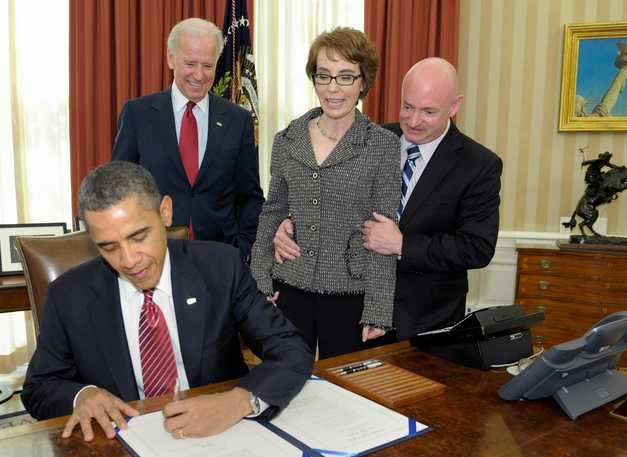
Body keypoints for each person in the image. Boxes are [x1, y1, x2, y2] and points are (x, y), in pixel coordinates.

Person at [22, 161, 313, 441]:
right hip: (125, 448)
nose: (129, 260)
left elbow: (290, 349)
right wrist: (80, 396)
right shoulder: (69, 294)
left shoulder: (220, 267)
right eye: (108, 247)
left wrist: (239, 401)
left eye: (138, 236)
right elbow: (39, 388)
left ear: (165, 212)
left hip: (221, 436)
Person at [275, 58, 502, 341]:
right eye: (407, 107)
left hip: (424, 324)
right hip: (351, 312)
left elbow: (476, 247)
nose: (414, 121)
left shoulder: (478, 165)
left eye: (429, 112)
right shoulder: (370, 140)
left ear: (454, 106)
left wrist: (401, 244)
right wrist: (288, 223)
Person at [250, 27, 400, 359]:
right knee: (284, 385)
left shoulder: (383, 146)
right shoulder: (287, 139)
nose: (333, 88)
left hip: (351, 295)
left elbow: (383, 233)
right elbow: (273, 211)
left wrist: (378, 309)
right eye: (324, 76)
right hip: (288, 287)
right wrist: (260, 279)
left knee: (348, 396)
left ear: (363, 82)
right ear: (314, 79)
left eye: (346, 77)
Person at [112, 18, 263, 261]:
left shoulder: (238, 120)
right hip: (153, 257)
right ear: (171, 58)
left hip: (219, 258)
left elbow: (250, 197)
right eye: (190, 63)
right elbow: (118, 189)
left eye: (208, 65)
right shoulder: (137, 114)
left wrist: (241, 249)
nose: (199, 75)